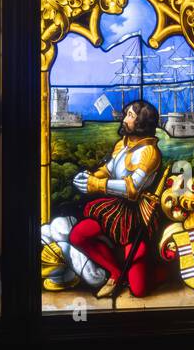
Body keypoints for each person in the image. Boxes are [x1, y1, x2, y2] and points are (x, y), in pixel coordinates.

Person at [68, 99, 166, 299]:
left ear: (141, 122)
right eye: (127, 114)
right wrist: (90, 177)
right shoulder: (122, 144)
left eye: (130, 115)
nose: (125, 119)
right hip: (113, 207)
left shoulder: (149, 152)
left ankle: (167, 272)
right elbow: (109, 169)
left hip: (135, 215)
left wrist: (97, 185)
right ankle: (116, 272)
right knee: (78, 236)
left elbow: (132, 189)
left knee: (138, 290)